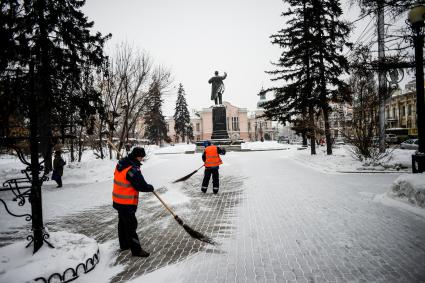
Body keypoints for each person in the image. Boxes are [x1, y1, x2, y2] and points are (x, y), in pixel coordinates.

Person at [112, 147, 154, 257]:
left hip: (118, 200)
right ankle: (136, 250)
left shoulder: (121, 163)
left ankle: (124, 244)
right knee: (131, 226)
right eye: (141, 157)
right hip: (126, 203)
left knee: (122, 223)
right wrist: (150, 187)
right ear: (137, 156)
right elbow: (141, 185)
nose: (142, 160)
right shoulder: (132, 169)